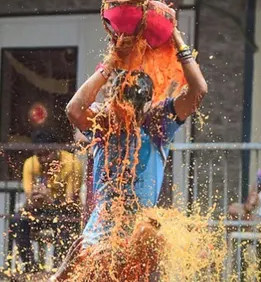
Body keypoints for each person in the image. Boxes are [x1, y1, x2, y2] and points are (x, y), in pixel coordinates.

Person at [54, 27, 207, 280]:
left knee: (149, 238)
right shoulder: (104, 124)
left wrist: (177, 39)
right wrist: (110, 62)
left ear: (147, 105)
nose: (126, 112)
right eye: (119, 102)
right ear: (111, 100)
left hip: (140, 237)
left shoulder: (157, 124)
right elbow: (73, 109)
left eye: (133, 106)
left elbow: (198, 90)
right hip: (99, 237)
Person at [10, 130, 83, 273]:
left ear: (57, 149)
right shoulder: (30, 164)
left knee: (64, 222)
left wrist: (51, 199)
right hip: (40, 211)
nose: (43, 159)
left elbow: (69, 202)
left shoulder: (72, 163)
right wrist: (35, 199)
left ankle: (59, 269)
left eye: (47, 154)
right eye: (39, 155)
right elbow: (29, 200)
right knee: (18, 220)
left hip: (64, 211)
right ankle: (31, 268)